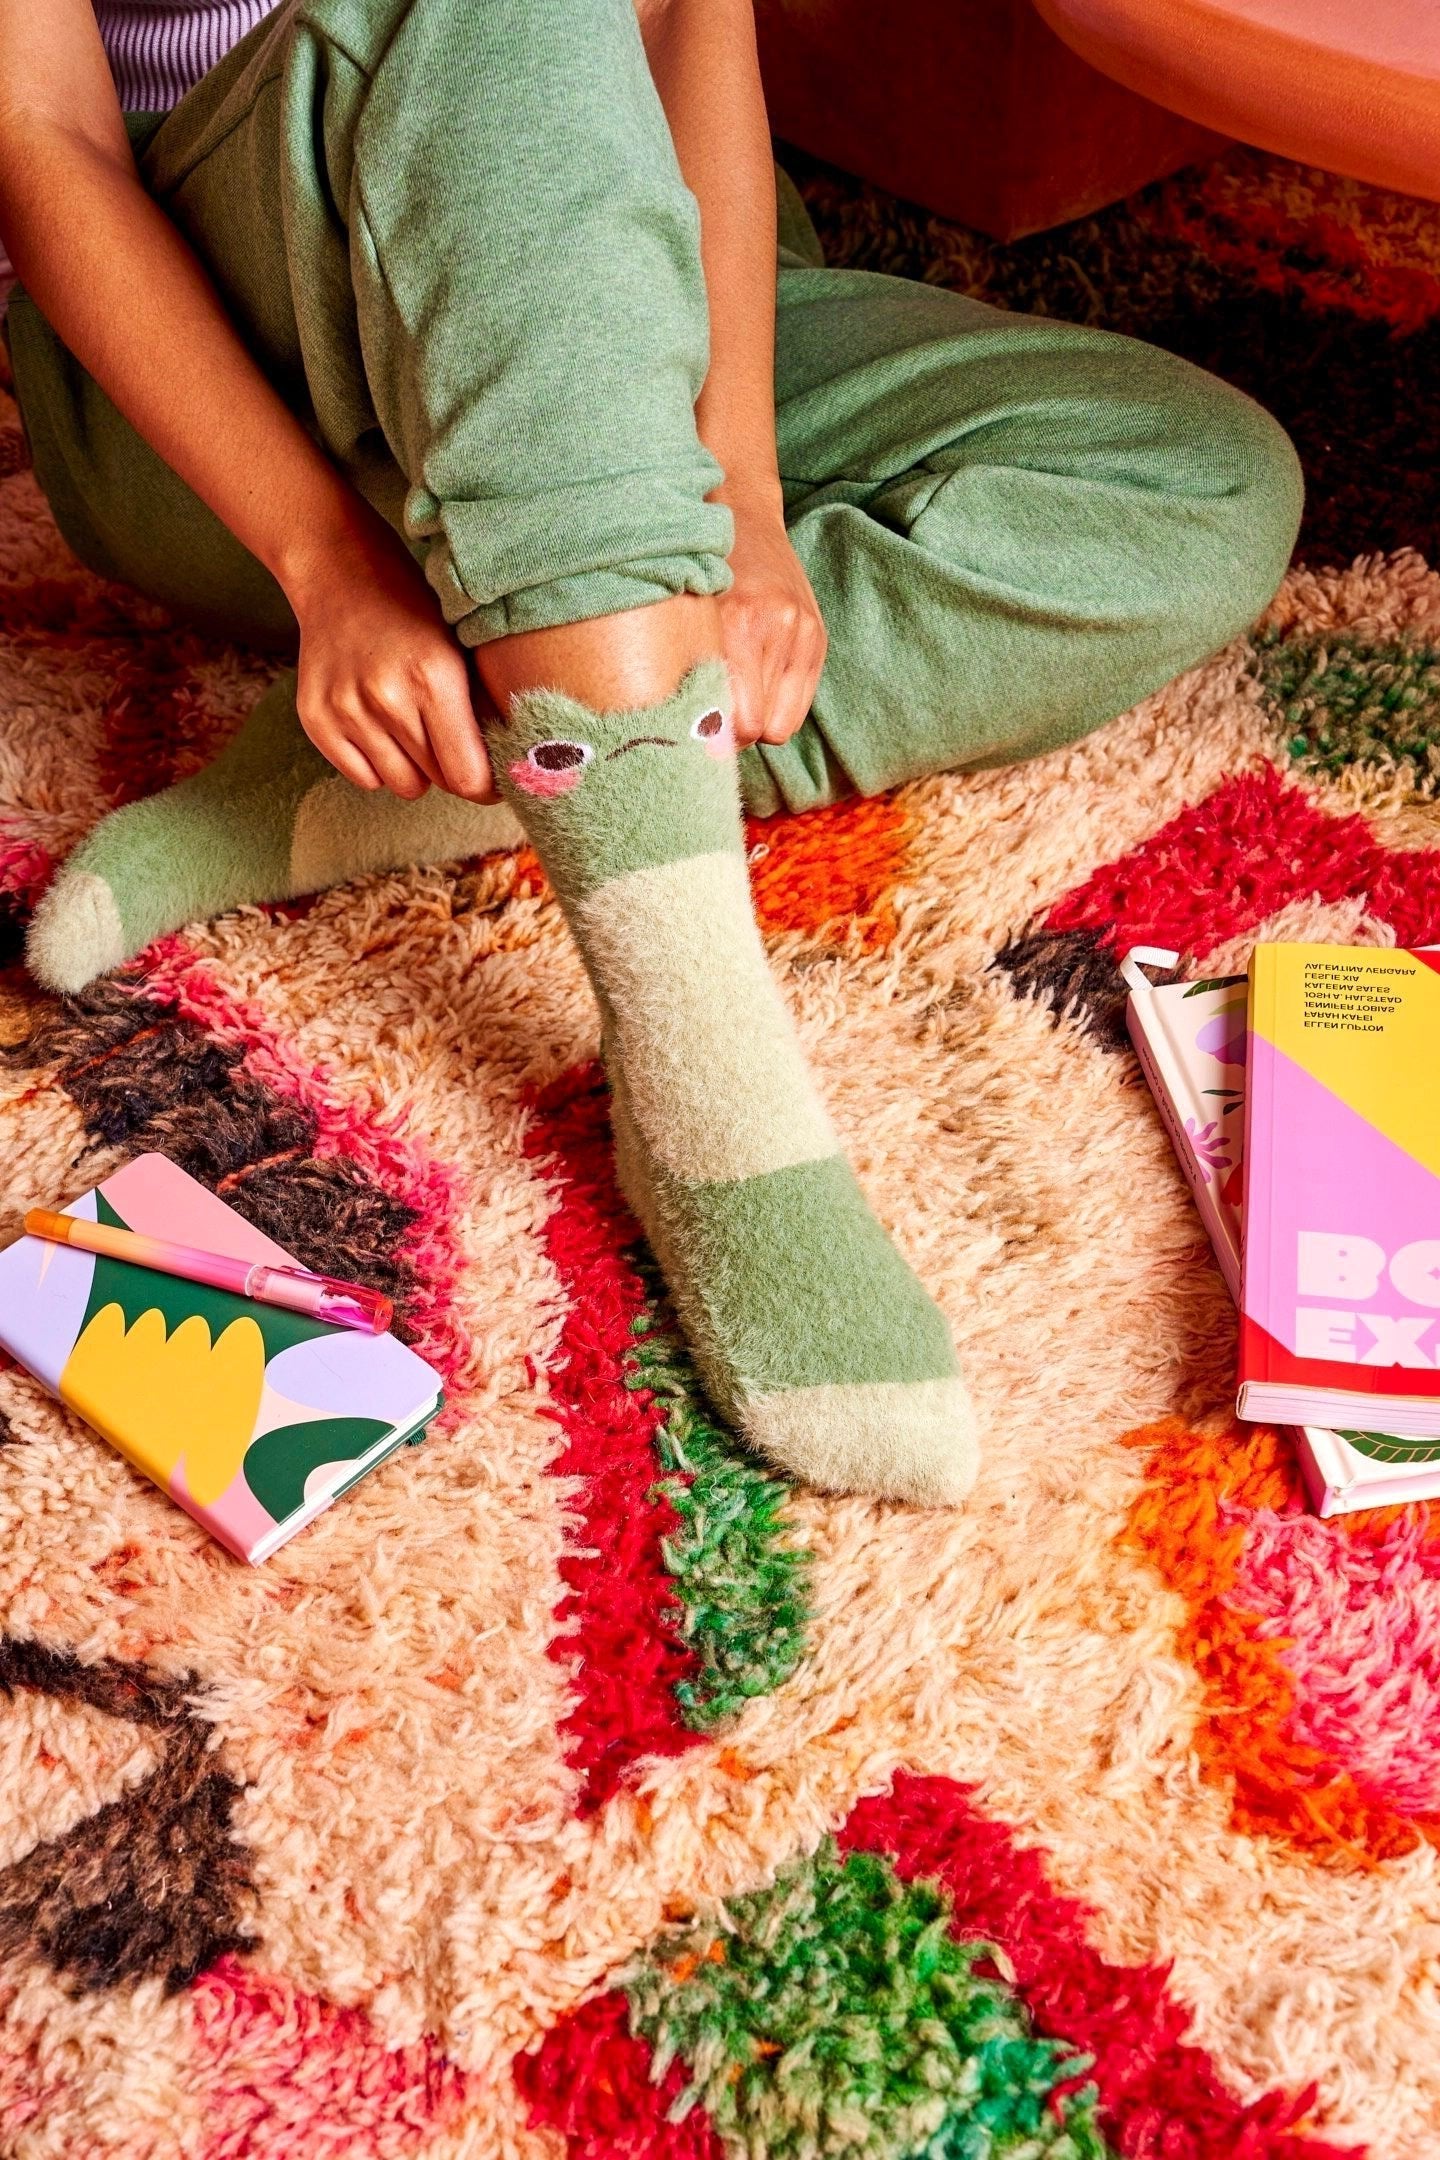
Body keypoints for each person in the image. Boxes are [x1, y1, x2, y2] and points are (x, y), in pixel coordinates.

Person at [0, 0, 1303, 1507]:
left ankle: (489, 772)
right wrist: (324, 568)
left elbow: (689, 19)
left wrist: (741, 479)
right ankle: (713, 1103)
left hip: (584, 278)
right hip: (223, 368)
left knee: (1197, 482)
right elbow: (44, 136)